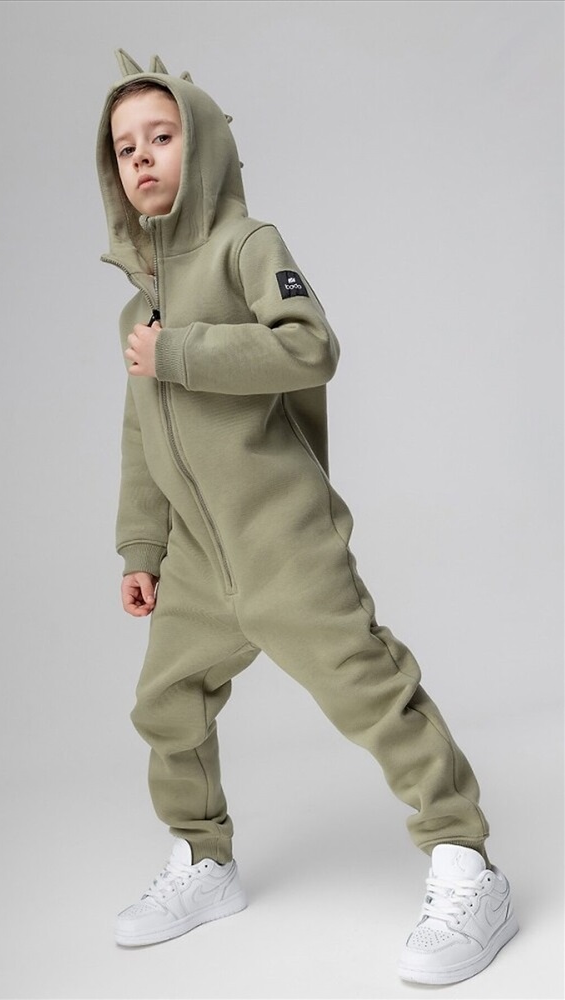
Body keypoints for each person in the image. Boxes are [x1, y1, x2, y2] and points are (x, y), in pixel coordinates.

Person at [96, 48, 518, 985]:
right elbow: (140, 432)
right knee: (165, 705)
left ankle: (466, 864)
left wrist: (180, 351)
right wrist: (141, 546)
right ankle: (203, 861)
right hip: (199, 560)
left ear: (203, 146)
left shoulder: (248, 246)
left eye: (162, 136)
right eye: (125, 148)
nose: (144, 157)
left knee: (368, 689)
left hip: (281, 538)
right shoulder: (137, 308)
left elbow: (308, 347)